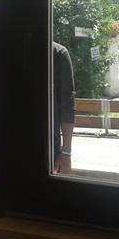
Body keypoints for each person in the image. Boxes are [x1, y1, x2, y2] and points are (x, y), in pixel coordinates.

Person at [52, 41, 75, 173]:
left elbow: (67, 106)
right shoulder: (58, 52)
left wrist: (66, 152)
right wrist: (66, 153)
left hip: (47, 147)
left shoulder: (58, 53)